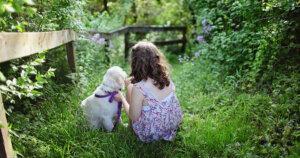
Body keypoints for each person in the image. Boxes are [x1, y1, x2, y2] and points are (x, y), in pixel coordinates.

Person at [114, 41, 182, 142]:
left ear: (135, 62)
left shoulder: (139, 88)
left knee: (131, 90)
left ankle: (131, 128)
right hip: (171, 124)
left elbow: (134, 116)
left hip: (152, 133)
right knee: (133, 88)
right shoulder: (165, 78)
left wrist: (122, 99)